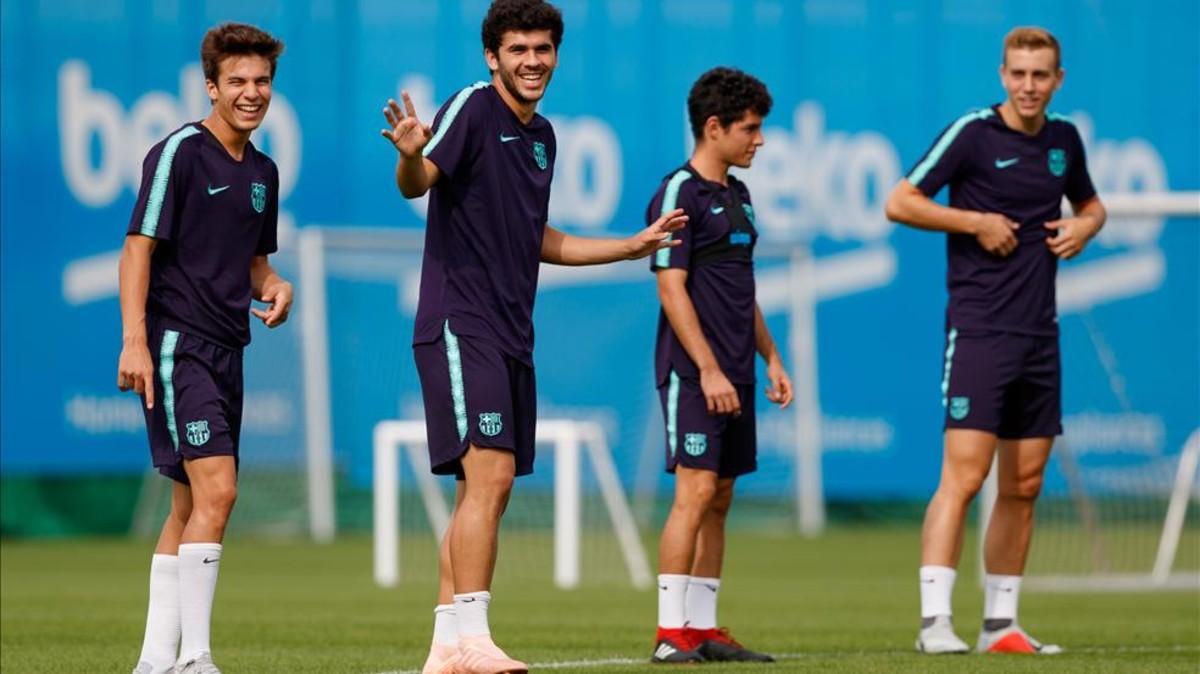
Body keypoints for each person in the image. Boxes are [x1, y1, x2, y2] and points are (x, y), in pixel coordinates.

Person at [377, 1, 687, 671]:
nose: (532, 60)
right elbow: (418, 181)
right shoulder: (472, 108)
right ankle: (476, 640)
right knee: (488, 479)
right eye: (518, 49)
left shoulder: (544, 135)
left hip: (512, 332)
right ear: (493, 57)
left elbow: (538, 238)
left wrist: (628, 247)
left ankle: (444, 650)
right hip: (463, 325)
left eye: (543, 48)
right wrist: (409, 158)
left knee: (480, 490)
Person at [884, 26, 1106, 656]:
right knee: (965, 476)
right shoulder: (973, 134)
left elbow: (1093, 206)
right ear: (1002, 75)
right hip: (980, 330)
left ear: (1058, 79)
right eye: (1018, 74)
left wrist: (1085, 228)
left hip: (1041, 333)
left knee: (1026, 483)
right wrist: (973, 220)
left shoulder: (1065, 141)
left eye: (1040, 75)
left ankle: (1000, 625)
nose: (1028, 86)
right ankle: (934, 624)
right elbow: (899, 201)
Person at [118, 23, 292, 674]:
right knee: (219, 494)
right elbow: (138, 247)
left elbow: (254, 263)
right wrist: (135, 340)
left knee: (190, 505)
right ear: (211, 86)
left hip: (228, 348)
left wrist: (274, 285)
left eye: (262, 82)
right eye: (238, 82)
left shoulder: (264, 172)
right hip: (176, 344)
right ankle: (196, 658)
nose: (251, 93)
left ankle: (153, 663)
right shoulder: (180, 153)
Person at [647, 67, 791, 665]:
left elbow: (741, 289)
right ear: (715, 127)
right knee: (695, 491)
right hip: (694, 372)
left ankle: (702, 630)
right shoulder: (679, 192)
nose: (760, 140)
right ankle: (667, 634)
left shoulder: (740, 195)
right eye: (751, 129)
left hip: (738, 370)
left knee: (721, 496)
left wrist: (773, 356)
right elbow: (671, 287)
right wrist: (706, 368)